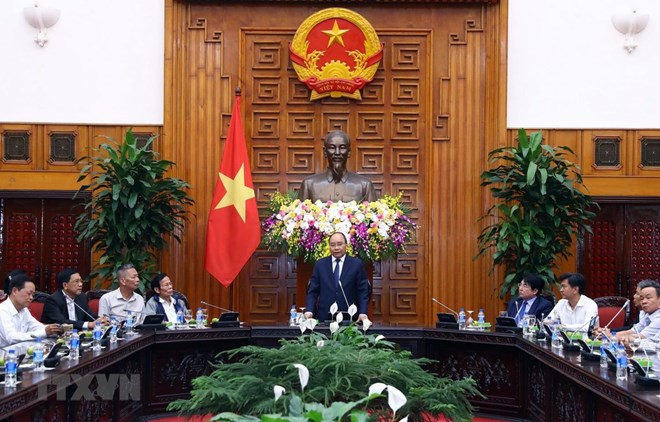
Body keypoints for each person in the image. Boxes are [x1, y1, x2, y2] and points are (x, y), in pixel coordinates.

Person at [304, 232, 370, 322]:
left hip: (350, 318)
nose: (336, 248)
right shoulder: (320, 264)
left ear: (346, 245)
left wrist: (363, 313)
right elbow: (312, 291)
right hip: (324, 317)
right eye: (332, 245)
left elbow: (363, 291)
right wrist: (309, 310)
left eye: (339, 244)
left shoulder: (356, 264)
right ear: (329, 247)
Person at [299, 130, 377, 203]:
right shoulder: (309, 184)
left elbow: (374, 214)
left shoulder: (364, 185)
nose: (337, 153)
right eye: (332, 148)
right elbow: (300, 214)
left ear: (349, 152)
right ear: (325, 152)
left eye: (342, 148)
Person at [0, 274, 61, 348]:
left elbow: (36, 326)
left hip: (22, 352)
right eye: (29, 293)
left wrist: (56, 328)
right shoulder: (2, 310)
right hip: (4, 355)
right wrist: (44, 332)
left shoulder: (23, 309)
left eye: (33, 295)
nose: (31, 298)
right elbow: (12, 338)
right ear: (15, 291)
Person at [610, 280, 660, 344]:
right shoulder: (647, 315)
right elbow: (632, 331)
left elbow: (639, 337)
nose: (644, 302)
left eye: (648, 298)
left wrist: (611, 337)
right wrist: (607, 335)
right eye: (641, 298)